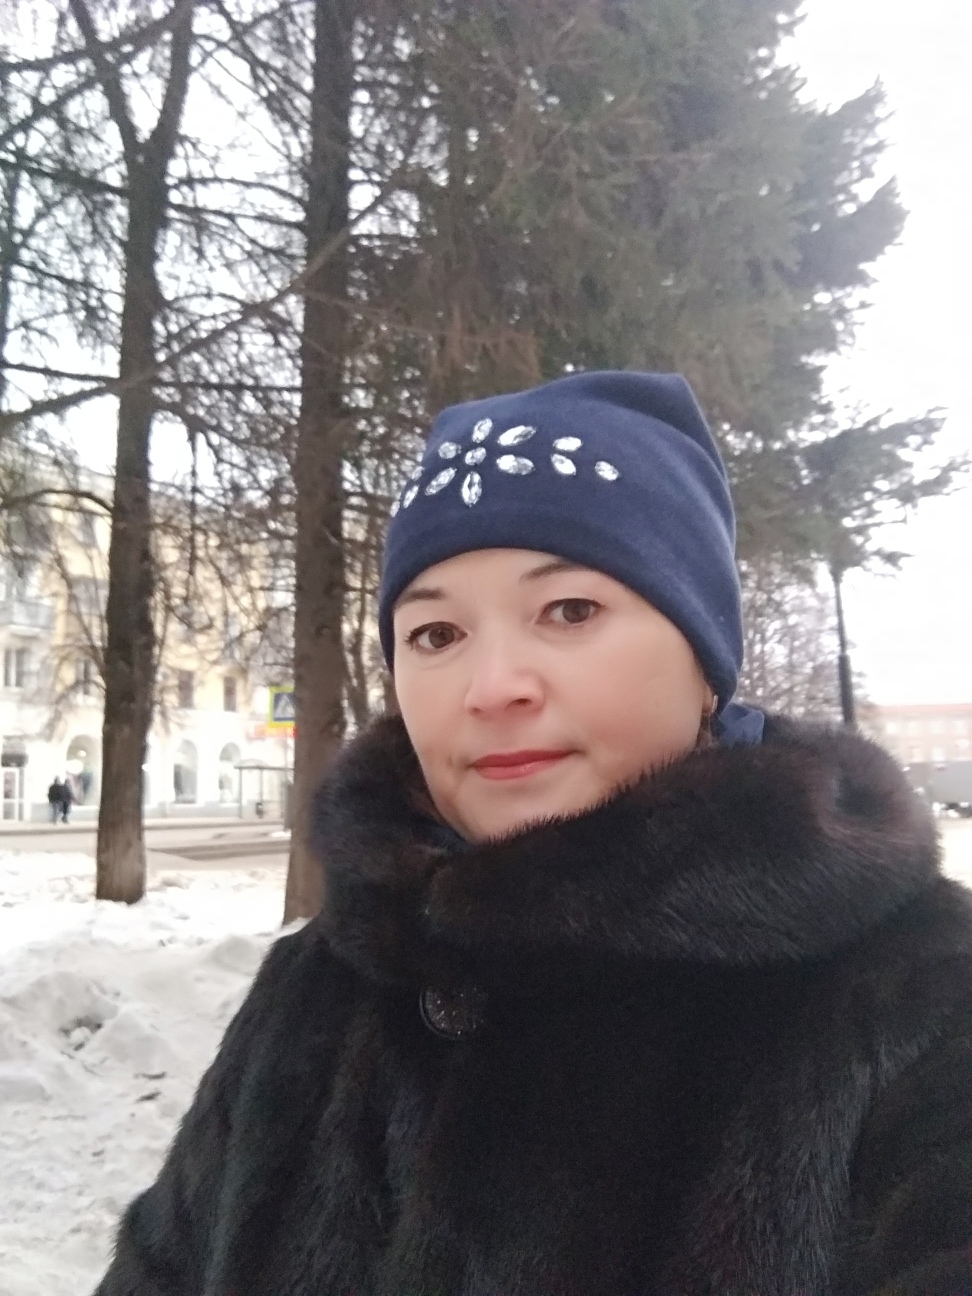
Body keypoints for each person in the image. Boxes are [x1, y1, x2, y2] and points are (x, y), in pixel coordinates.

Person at [94, 372, 972, 1296]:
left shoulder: (917, 995)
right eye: (436, 634)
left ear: (706, 661)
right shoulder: (324, 984)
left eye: (570, 611)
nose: (492, 687)